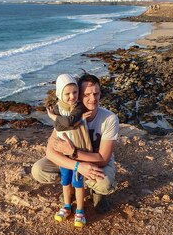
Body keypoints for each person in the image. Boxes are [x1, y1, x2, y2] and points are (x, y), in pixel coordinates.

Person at [32, 73, 119, 215]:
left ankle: (95, 191)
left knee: (105, 184)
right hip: (73, 162)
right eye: (87, 94)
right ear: (78, 95)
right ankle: (71, 186)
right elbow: (50, 152)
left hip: (96, 162)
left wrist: (73, 153)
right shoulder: (67, 117)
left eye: (96, 93)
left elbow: (103, 158)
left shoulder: (109, 118)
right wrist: (78, 166)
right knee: (39, 170)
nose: (93, 99)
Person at [46, 74, 93, 227]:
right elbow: (61, 126)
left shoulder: (78, 107)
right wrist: (63, 122)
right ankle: (67, 205)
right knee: (65, 180)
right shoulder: (58, 108)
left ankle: (80, 209)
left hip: (79, 150)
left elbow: (69, 121)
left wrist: (53, 117)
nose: (72, 96)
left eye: (74, 92)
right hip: (62, 153)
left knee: (78, 181)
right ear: (60, 93)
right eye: (67, 94)